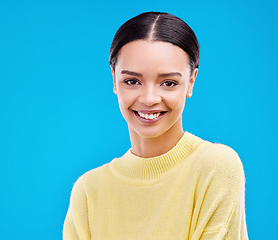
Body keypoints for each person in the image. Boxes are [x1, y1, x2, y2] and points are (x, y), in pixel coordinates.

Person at [63, 11, 248, 240]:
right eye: (132, 81)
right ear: (114, 79)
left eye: (168, 83)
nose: (149, 98)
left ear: (190, 82)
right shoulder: (88, 191)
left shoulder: (216, 166)